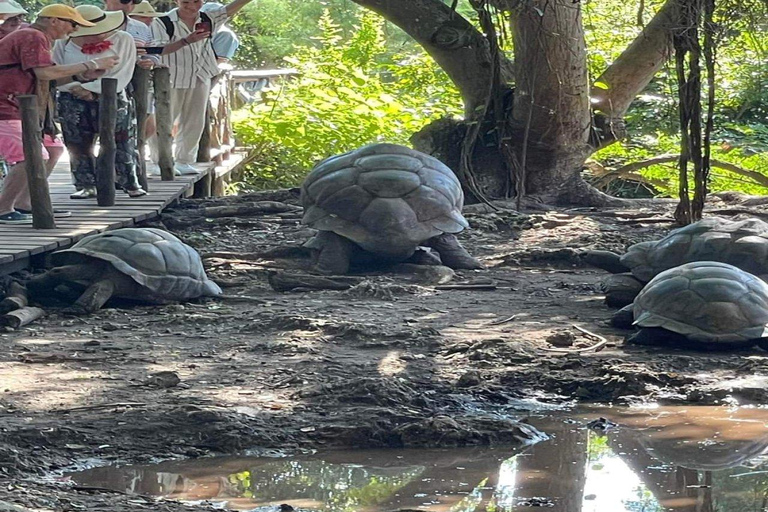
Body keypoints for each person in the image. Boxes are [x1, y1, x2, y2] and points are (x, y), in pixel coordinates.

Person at [0, 4, 118, 224]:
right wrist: (89, 63)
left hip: (27, 109)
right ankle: (3, 208)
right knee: (29, 156)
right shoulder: (32, 35)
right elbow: (44, 72)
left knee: (53, 150)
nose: (73, 30)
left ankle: (26, 203)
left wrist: (86, 75)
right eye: (72, 24)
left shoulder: (39, 37)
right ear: (54, 20)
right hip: (6, 107)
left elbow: (48, 79)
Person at [150, 0, 254, 175]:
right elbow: (159, 49)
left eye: (196, 1)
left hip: (200, 75)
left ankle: (185, 160)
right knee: (164, 120)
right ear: (177, 1)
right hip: (173, 77)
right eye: (186, 2)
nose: (191, 6)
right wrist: (186, 41)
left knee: (195, 121)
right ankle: (160, 161)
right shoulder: (163, 22)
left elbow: (228, 11)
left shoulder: (207, 17)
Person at [54, 5, 146, 199]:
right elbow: (57, 72)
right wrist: (74, 87)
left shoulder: (123, 39)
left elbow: (123, 73)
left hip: (113, 95)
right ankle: (85, 184)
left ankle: (129, 182)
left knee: (122, 139)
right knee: (77, 142)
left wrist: (90, 89)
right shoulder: (63, 43)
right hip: (72, 97)